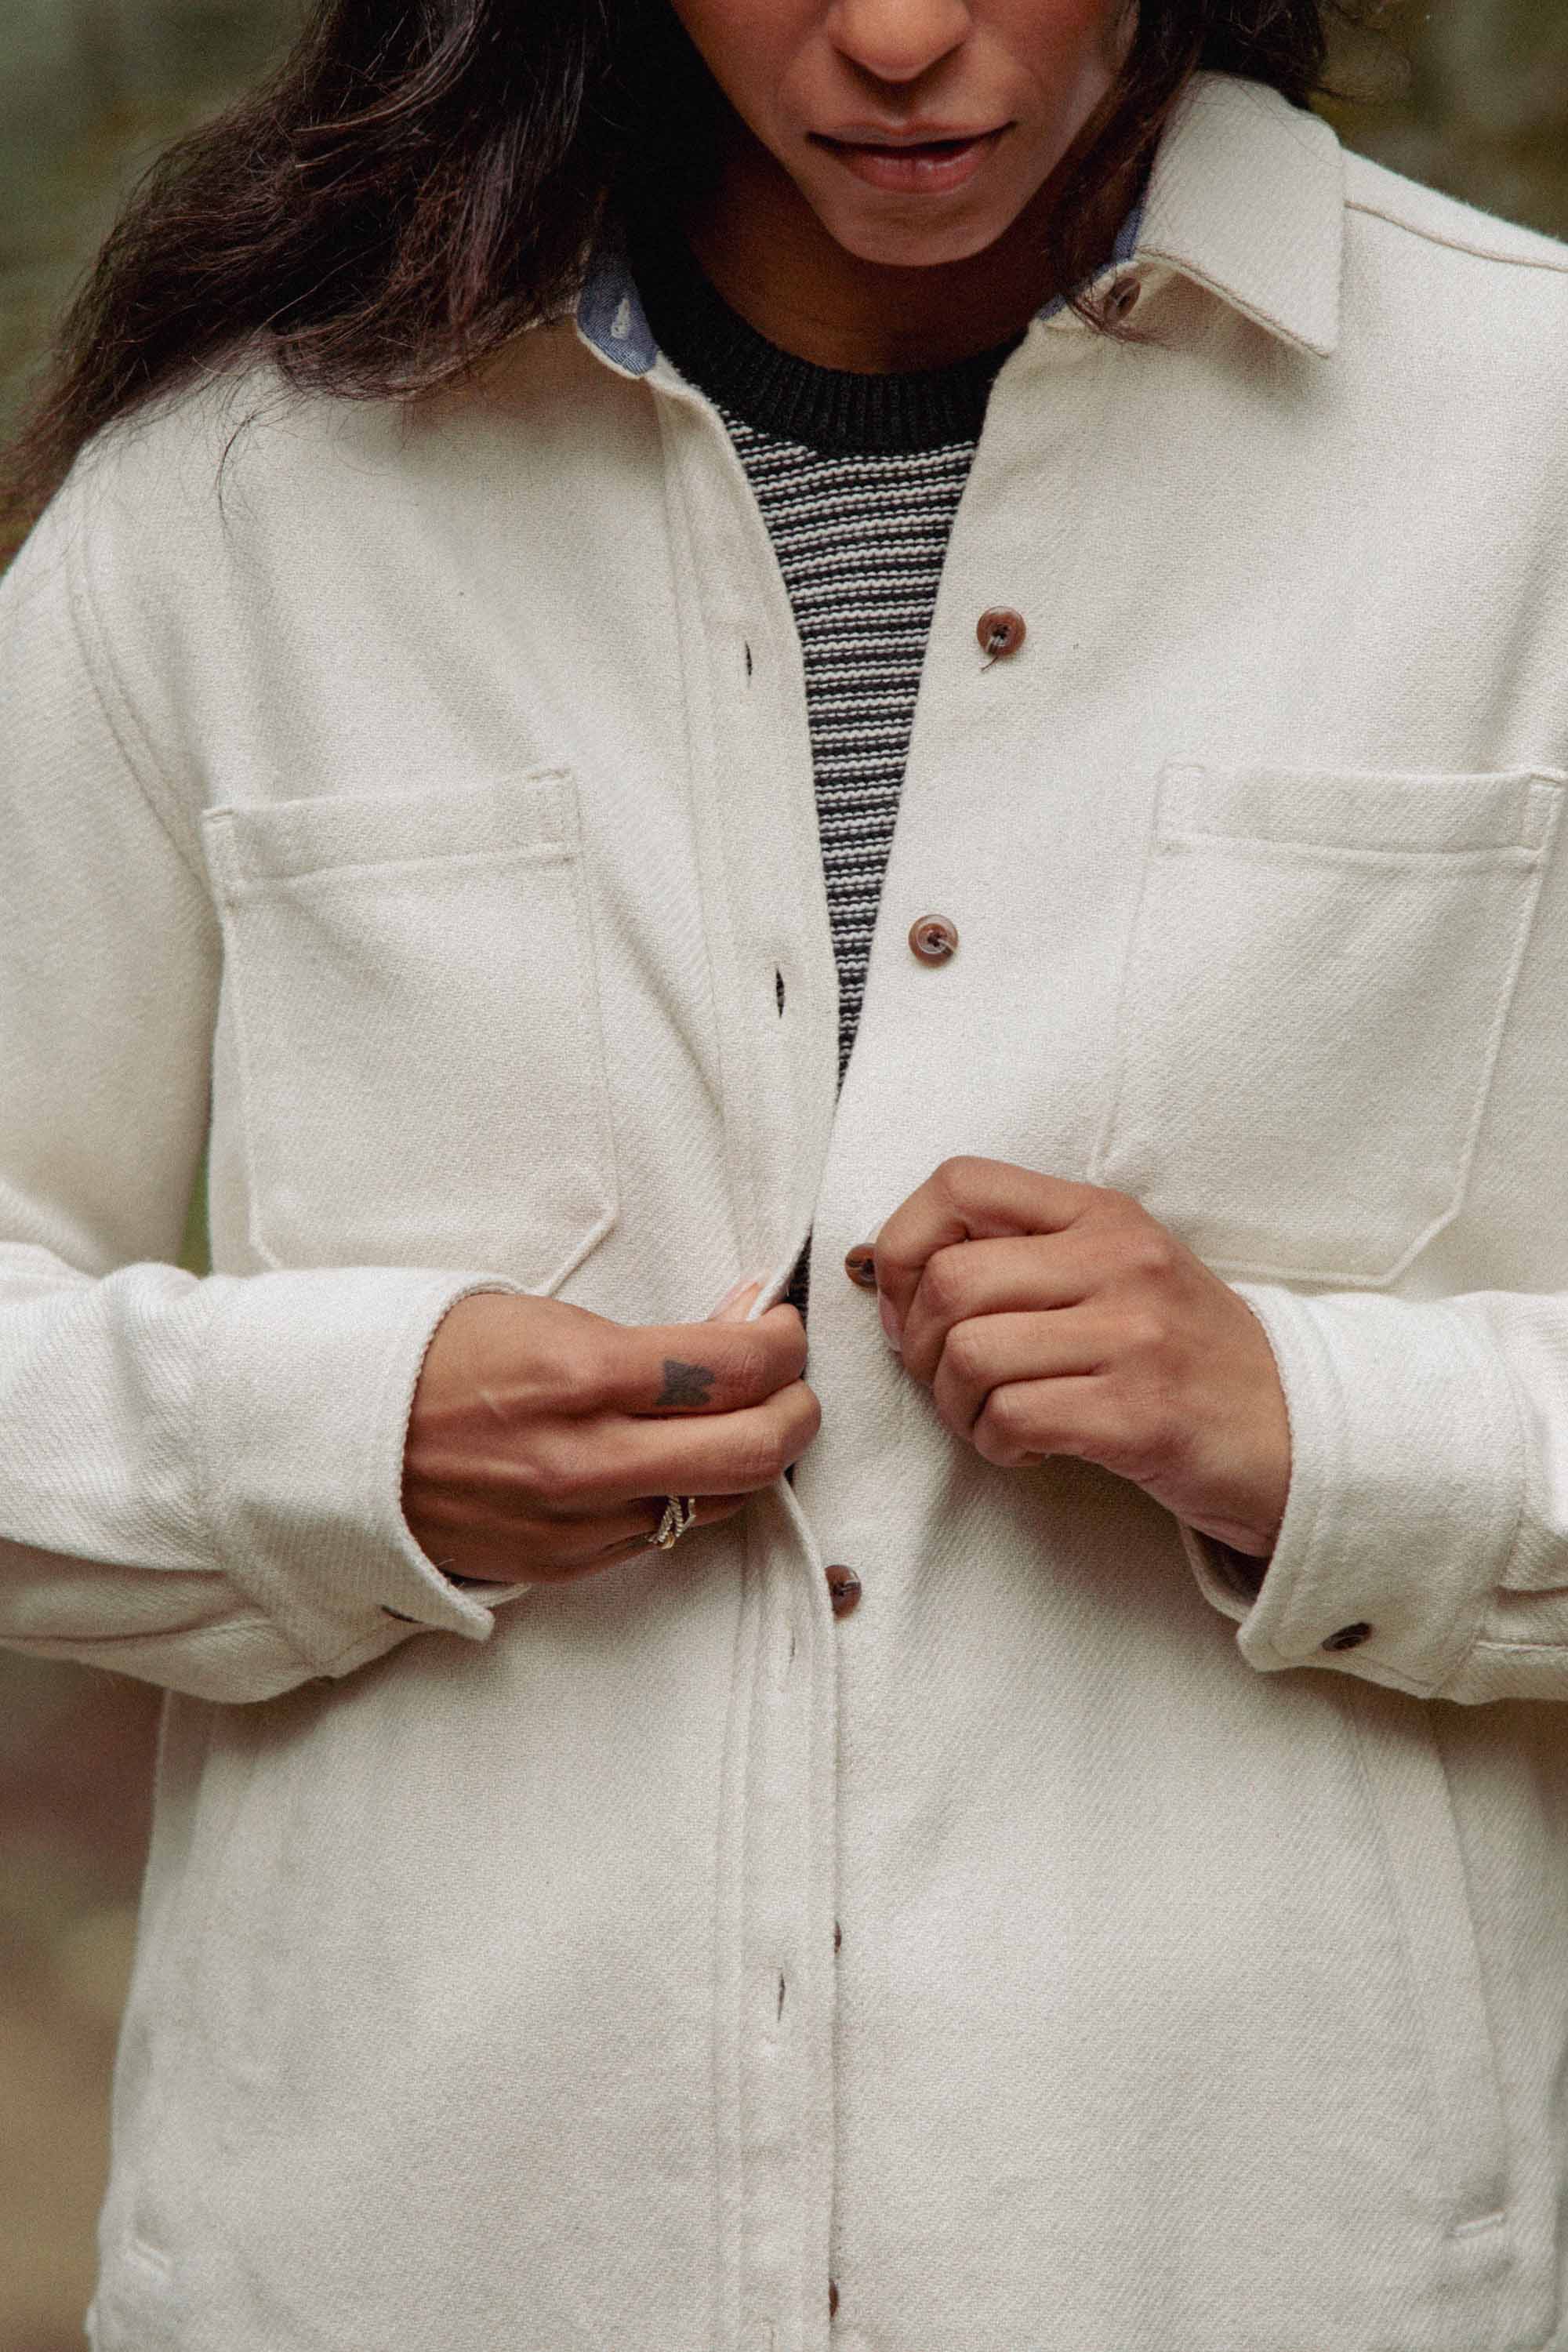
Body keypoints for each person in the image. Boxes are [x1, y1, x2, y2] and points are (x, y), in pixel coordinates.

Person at [4, 0, 1568, 2341]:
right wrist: (335, 1442)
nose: (904, 33)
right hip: (408, 2260)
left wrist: (1321, 1434)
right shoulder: (247, 482)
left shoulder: (1528, 452)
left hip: (1248, 2259)